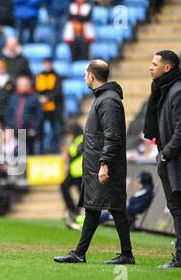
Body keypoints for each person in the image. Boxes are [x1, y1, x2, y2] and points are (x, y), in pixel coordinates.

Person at [54, 60, 135, 265]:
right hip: (96, 166)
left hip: (105, 166)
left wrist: (105, 163)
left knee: (113, 208)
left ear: (92, 75)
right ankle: (82, 253)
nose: (83, 78)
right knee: (95, 208)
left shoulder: (108, 100)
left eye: (85, 74)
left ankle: (124, 254)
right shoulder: (103, 98)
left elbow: (113, 136)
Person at [144, 50, 181, 268]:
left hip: (175, 159)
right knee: (177, 208)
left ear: (167, 68)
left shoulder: (179, 92)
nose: (150, 67)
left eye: (155, 64)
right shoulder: (165, 90)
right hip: (167, 157)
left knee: (179, 208)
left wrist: (165, 155)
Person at [60, 123, 83, 225]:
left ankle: (76, 211)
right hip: (74, 172)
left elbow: (77, 153)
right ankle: (73, 210)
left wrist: (68, 153)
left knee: (81, 194)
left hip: (80, 172)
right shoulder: (75, 141)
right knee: (65, 187)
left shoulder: (82, 139)